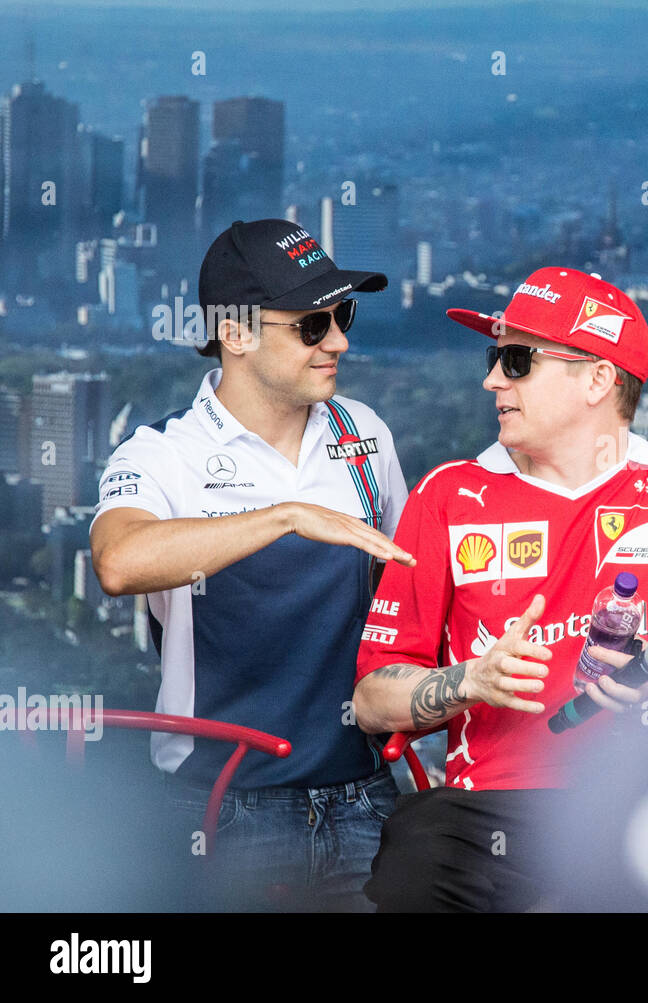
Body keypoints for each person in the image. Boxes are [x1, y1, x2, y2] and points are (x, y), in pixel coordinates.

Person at [352, 266, 648, 911]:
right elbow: (372, 703)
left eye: (516, 360)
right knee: (415, 859)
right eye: (495, 357)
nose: (492, 380)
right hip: (490, 815)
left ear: (598, 377)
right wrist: (470, 682)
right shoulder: (449, 495)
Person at [90, 218, 414, 910]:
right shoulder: (161, 453)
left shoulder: (365, 437)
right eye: (311, 326)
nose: (340, 341)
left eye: (343, 314)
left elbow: (405, 596)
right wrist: (286, 516)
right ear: (234, 333)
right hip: (224, 809)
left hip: (364, 798)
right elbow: (118, 561)